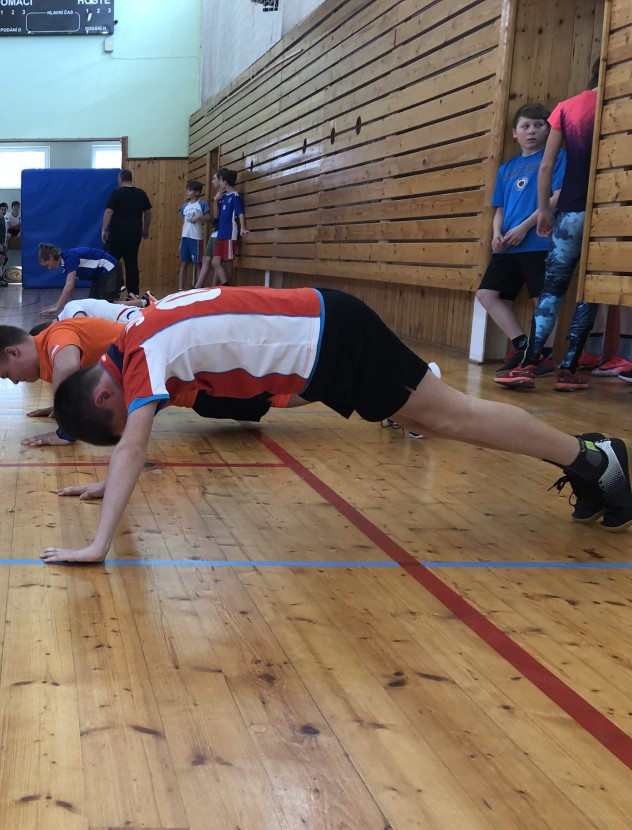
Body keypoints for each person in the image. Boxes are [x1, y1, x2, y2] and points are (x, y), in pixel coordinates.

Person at [41, 287, 632, 564]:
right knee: (439, 420)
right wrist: (109, 482)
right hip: (325, 340)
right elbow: (133, 442)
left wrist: (99, 545)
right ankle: (586, 460)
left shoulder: (142, 351)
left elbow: (134, 445)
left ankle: (596, 459)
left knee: (451, 416)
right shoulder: (132, 340)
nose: (132, 422)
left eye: (117, 418)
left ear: (104, 392)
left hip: (333, 336)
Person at [0, 316, 288, 447]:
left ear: (13, 352)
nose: (15, 383)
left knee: (275, 395)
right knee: (263, 398)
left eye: (7, 375)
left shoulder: (56, 335)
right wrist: (58, 405)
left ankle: (311, 383)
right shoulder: (48, 358)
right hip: (186, 392)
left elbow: (69, 365)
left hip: (193, 380)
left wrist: (65, 428)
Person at [497, 62, 601, 393]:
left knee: (552, 289)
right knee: (589, 292)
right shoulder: (618, 105)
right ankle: (569, 370)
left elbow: (546, 165)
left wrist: (544, 210)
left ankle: (529, 363)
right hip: (605, 212)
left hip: (569, 211)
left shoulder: (566, 108)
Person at [472, 104, 566, 375]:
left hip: (540, 241)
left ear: (548, 130)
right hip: (508, 246)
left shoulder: (557, 157)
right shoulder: (506, 169)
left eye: (538, 125)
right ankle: (523, 346)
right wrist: (497, 234)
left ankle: (543, 356)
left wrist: (524, 227)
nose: (532, 131)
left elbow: (556, 197)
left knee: (542, 300)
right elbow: (499, 210)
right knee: (487, 294)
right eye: (525, 126)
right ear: (515, 133)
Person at [101, 169, 152, 296]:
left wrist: (104, 229)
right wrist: (146, 229)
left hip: (117, 234)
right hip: (134, 234)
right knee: (131, 263)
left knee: (111, 262)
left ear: (120, 179)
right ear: (130, 179)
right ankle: (133, 293)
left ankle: (113, 290)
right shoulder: (140, 193)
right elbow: (148, 212)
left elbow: (109, 211)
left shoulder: (116, 194)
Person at [196, 168, 248, 287]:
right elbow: (217, 216)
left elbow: (240, 212)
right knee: (215, 261)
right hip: (221, 234)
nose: (219, 183)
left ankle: (227, 288)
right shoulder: (223, 197)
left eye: (220, 181)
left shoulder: (234, 196)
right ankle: (226, 284)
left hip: (229, 233)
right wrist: (216, 200)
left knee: (228, 261)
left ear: (225, 182)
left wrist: (243, 227)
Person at [38, 243, 122, 315]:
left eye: (47, 265)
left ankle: (130, 305)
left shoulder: (70, 258)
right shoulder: (65, 261)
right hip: (100, 275)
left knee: (106, 305)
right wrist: (55, 305)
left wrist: (57, 307)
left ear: (51, 257)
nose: (49, 268)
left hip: (110, 269)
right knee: (92, 305)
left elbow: (69, 285)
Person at [178, 180, 211, 291]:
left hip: (196, 238)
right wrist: (181, 241)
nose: (187, 192)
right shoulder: (185, 206)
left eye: (190, 190)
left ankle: (198, 288)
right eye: (187, 190)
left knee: (197, 263)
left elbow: (208, 218)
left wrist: (198, 218)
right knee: (184, 264)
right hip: (185, 237)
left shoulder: (202, 204)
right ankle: (180, 289)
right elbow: (184, 224)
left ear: (197, 192)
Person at [0, 201, 9, 281]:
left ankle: (0, 279)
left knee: (2, 262)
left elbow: (5, 234)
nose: (3, 211)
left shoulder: (4, 220)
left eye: (5, 210)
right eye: (2, 210)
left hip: (3, 243)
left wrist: (5, 244)